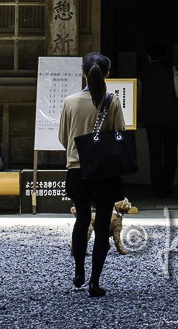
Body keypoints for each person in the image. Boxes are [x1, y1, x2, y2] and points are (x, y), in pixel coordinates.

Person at [58, 52, 125, 297]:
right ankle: (95, 282)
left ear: (83, 73)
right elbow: (119, 134)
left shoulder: (70, 101)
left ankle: (78, 272)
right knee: (103, 223)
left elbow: (63, 138)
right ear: (107, 73)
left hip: (77, 168)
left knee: (81, 220)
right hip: (105, 171)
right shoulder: (112, 101)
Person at [138, 43, 178, 199]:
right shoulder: (170, 70)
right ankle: (168, 186)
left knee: (155, 154)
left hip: (151, 118)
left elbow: (139, 98)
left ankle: (158, 189)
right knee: (171, 152)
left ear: (149, 57)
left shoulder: (143, 73)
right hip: (171, 116)